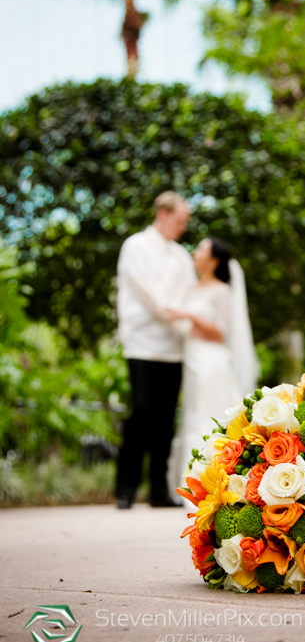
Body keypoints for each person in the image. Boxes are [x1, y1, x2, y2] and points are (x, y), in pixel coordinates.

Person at [115, 191, 196, 509]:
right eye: (179, 221)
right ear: (162, 214)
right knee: (142, 413)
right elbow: (147, 294)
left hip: (174, 348)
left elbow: (188, 293)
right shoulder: (135, 246)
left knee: (165, 419)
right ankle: (125, 489)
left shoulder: (180, 254)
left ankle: (160, 491)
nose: (182, 227)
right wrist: (178, 318)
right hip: (143, 344)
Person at [166, 238, 258, 487]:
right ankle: (189, 481)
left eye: (201, 250)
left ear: (213, 260)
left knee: (208, 414)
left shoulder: (222, 290)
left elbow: (219, 331)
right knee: (191, 414)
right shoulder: (190, 288)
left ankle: (214, 478)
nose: (195, 253)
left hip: (210, 361)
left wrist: (189, 316)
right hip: (190, 357)